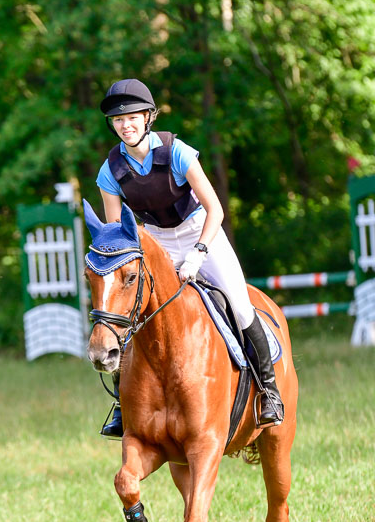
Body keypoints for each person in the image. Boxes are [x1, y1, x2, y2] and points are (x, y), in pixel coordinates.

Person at [95, 78, 284, 438]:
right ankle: (123, 404)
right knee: (131, 315)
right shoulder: (111, 171)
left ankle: (269, 392)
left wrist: (198, 253)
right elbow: (118, 231)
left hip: (201, 232)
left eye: (132, 117)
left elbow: (215, 209)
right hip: (155, 242)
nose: (125, 125)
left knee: (241, 306)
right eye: (118, 120)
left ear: (148, 117)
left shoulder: (177, 152)